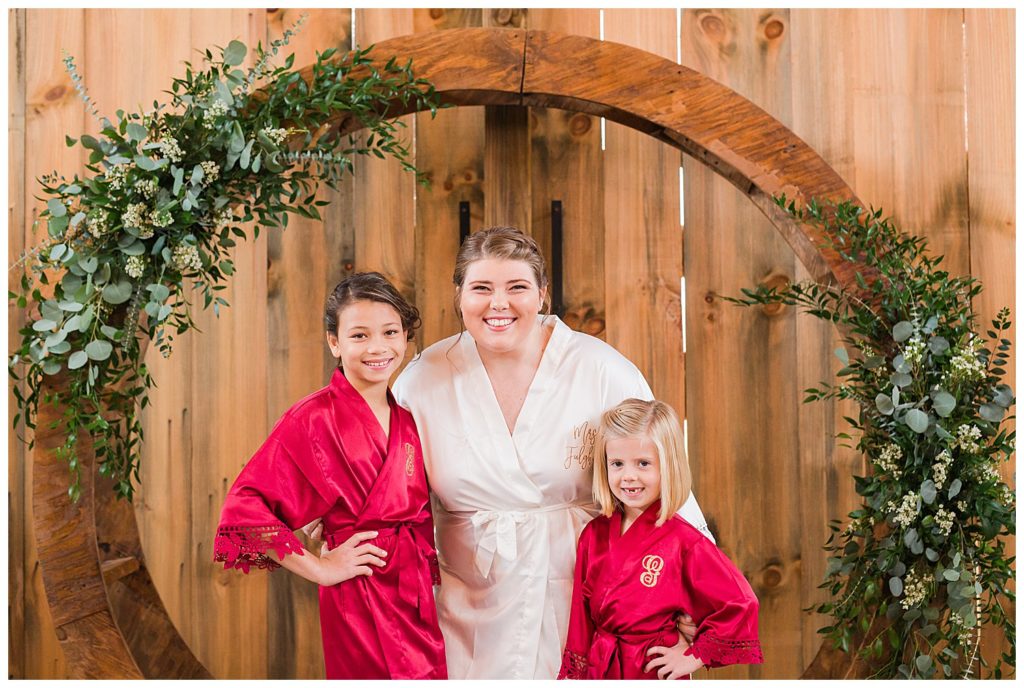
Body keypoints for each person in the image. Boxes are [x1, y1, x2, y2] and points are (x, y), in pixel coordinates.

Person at [391, 226, 715, 679]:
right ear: (459, 295)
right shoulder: (421, 379)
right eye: (481, 287)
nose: (498, 304)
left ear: (542, 295)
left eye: (517, 287)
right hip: (464, 606)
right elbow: (387, 493)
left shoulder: (601, 369)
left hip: (586, 600)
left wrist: (690, 601)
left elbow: (665, 482)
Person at [213, 272, 446, 680]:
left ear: (406, 337)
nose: (378, 347)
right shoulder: (312, 418)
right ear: (334, 342)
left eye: (390, 332)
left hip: (413, 597)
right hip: (359, 592)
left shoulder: (408, 419)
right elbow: (244, 507)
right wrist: (321, 569)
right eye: (359, 336)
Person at [558, 398, 762, 680]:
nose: (628, 476)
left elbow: (741, 603)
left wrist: (693, 656)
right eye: (617, 463)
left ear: (668, 465)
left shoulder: (685, 542)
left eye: (643, 463)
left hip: (652, 669)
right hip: (601, 666)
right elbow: (580, 621)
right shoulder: (593, 535)